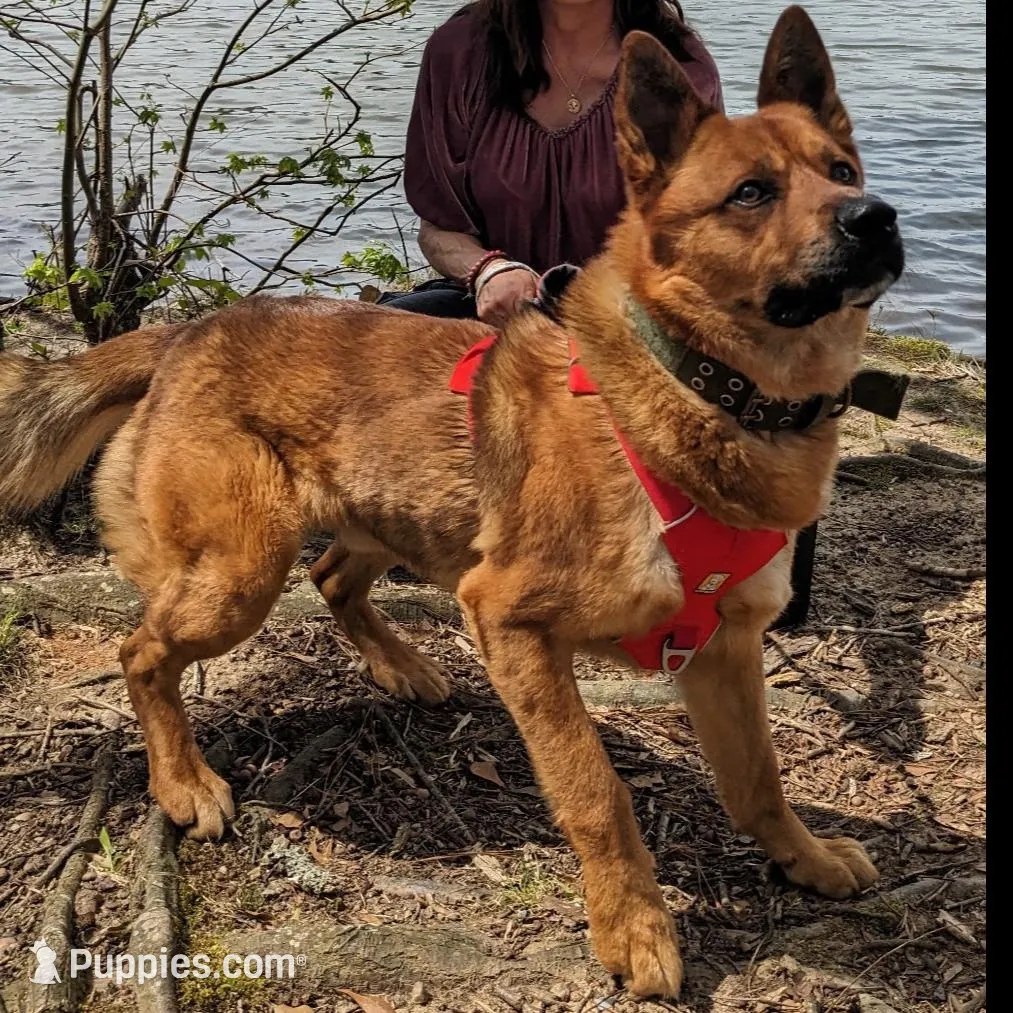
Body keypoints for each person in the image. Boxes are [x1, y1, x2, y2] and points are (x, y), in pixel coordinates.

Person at [378, 0, 723, 325]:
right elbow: (439, 230)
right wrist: (489, 270)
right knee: (364, 337)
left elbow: (703, 236)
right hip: (498, 313)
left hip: (631, 321)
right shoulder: (460, 52)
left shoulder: (680, 67)